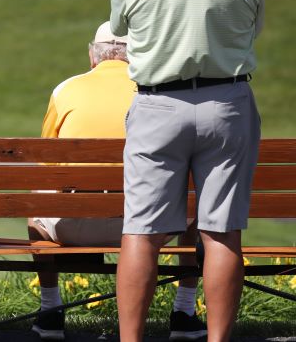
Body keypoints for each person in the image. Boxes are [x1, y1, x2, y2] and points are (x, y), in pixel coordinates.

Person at [111, 0, 264, 342]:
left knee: (142, 231)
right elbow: (252, 25)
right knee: (221, 231)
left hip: (158, 103)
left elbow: (118, 27)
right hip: (226, 101)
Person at [29, 22, 205, 342]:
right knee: (194, 207)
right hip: (150, 227)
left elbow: (48, 166)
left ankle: (51, 310)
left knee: (36, 207)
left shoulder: (65, 90)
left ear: (92, 56)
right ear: (137, 54)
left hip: (77, 223)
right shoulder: (158, 91)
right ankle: (184, 312)